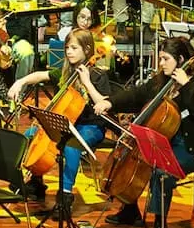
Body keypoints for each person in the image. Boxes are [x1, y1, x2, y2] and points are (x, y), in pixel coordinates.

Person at [103, 39, 194, 228]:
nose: (161, 63)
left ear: (180, 60)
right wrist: (110, 103)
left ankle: (160, 225)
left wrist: (185, 85)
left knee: (161, 172)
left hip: (188, 147)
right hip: (163, 143)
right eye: (160, 58)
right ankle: (129, 209)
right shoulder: (162, 81)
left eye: (165, 59)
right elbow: (136, 94)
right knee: (133, 156)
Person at [10, 29, 116, 215]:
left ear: (87, 49)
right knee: (30, 135)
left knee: (71, 146)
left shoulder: (97, 74)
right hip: (68, 124)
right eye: (67, 47)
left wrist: (87, 83)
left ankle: (65, 196)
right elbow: (41, 75)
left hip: (91, 126)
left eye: (74, 48)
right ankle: (36, 182)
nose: (69, 51)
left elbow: (104, 103)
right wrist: (20, 82)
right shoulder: (66, 72)